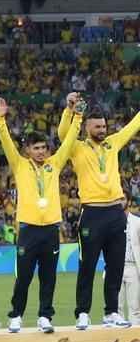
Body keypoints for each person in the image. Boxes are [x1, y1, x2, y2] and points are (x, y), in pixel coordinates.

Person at [0, 97, 83, 333]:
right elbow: (6, 142)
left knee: (48, 277)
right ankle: (16, 315)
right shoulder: (20, 164)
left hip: (51, 229)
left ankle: (45, 316)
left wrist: (77, 115)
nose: (41, 152)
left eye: (44, 148)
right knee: (23, 277)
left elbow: (69, 143)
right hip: (28, 229)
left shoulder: (54, 164)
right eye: (36, 148)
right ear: (28, 150)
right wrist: (0, 119)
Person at [57, 94, 140, 329]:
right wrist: (69, 109)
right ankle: (82, 312)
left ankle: (111, 312)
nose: (102, 130)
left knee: (115, 265)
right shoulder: (77, 147)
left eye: (104, 126)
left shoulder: (113, 143)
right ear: (86, 128)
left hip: (115, 212)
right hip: (92, 214)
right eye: (97, 127)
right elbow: (63, 134)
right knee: (88, 265)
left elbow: (135, 124)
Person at [120, 211, 140, 325]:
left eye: (124, 199)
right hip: (115, 267)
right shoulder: (111, 222)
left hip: (132, 266)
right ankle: (118, 339)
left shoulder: (137, 222)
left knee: (135, 308)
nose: (121, 201)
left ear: (129, 201)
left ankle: (136, 339)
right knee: (116, 309)